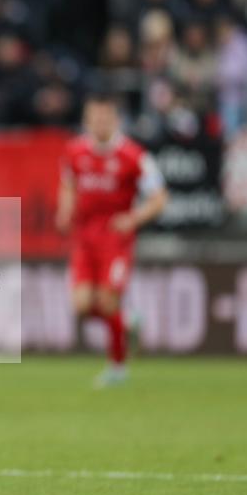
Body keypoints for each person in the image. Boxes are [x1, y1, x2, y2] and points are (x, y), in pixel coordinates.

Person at [56, 93, 169, 388]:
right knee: (81, 305)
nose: (100, 123)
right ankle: (128, 321)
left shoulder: (134, 156)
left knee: (108, 302)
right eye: (94, 118)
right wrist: (65, 210)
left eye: (105, 118)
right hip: (84, 237)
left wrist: (134, 218)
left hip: (115, 239)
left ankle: (117, 367)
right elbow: (68, 184)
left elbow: (159, 199)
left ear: (116, 120)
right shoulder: (75, 152)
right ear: (86, 120)